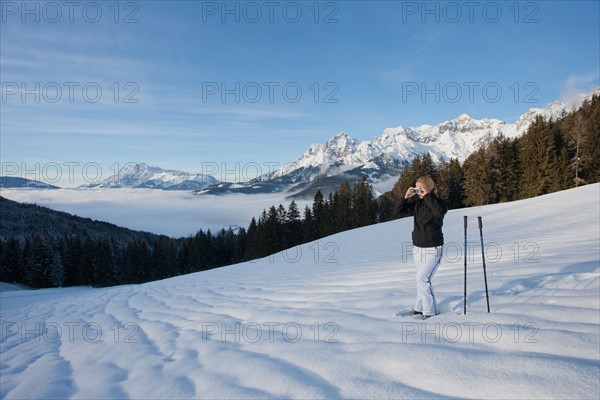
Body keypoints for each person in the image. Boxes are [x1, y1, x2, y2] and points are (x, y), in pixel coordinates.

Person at [396, 176, 448, 319]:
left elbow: (439, 212)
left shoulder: (439, 203)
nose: (418, 191)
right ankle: (419, 308)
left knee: (423, 279)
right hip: (417, 247)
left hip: (433, 247)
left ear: (429, 188)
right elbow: (398, 211)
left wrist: (428, 196)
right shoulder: (417, 204)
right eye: (417, 188)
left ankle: (430, 311)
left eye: (421, 188)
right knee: (420, 279)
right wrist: (405, 198)